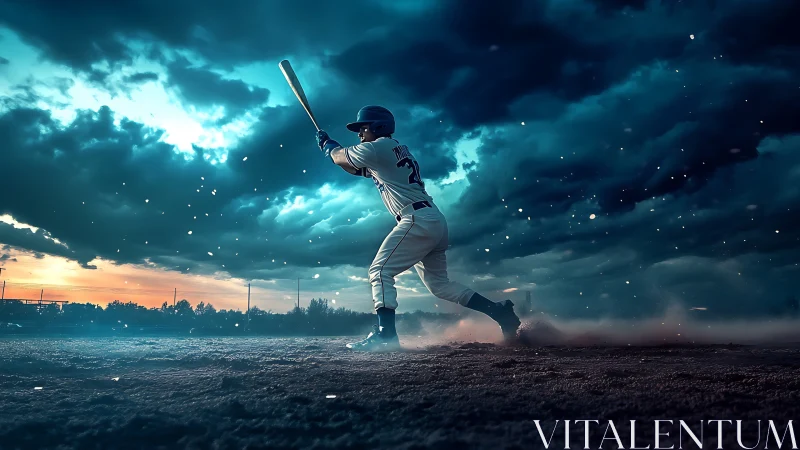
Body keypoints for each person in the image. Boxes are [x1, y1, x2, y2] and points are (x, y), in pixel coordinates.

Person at [317, 105, 521, 351]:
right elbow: (354, 168)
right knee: (440, 285)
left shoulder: (379, 147)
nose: (360, 133)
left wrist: (329, 146)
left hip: (417, 218)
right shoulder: (390, 150)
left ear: (379, 127)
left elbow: (341, 157)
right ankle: (499, 312)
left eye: (364, 127)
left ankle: (386, 335)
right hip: (432, 219)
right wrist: (332, 150)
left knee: (380, 271)